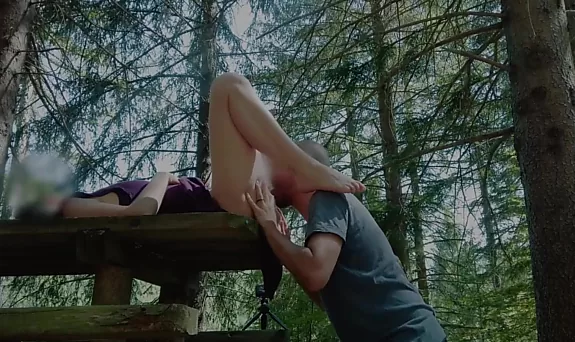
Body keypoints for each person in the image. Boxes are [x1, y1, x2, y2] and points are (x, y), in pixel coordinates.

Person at [47, 72, 364, 220]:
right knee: (228, 87)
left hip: (222, 196)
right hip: (219, 203)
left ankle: (303, 174)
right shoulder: (71, 206)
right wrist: (161, 177)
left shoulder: (90, 199)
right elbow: (139, 213)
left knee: (234, 94)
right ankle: (303, 169)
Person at [245, 143, 447, 342]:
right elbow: (325, 298)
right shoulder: (326, 220)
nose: (268, 174)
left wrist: (270, 226)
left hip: (408, 335)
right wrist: (283, 243)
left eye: (275, 165)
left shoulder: (327, 197)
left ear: (297, 168)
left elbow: (314, 273)